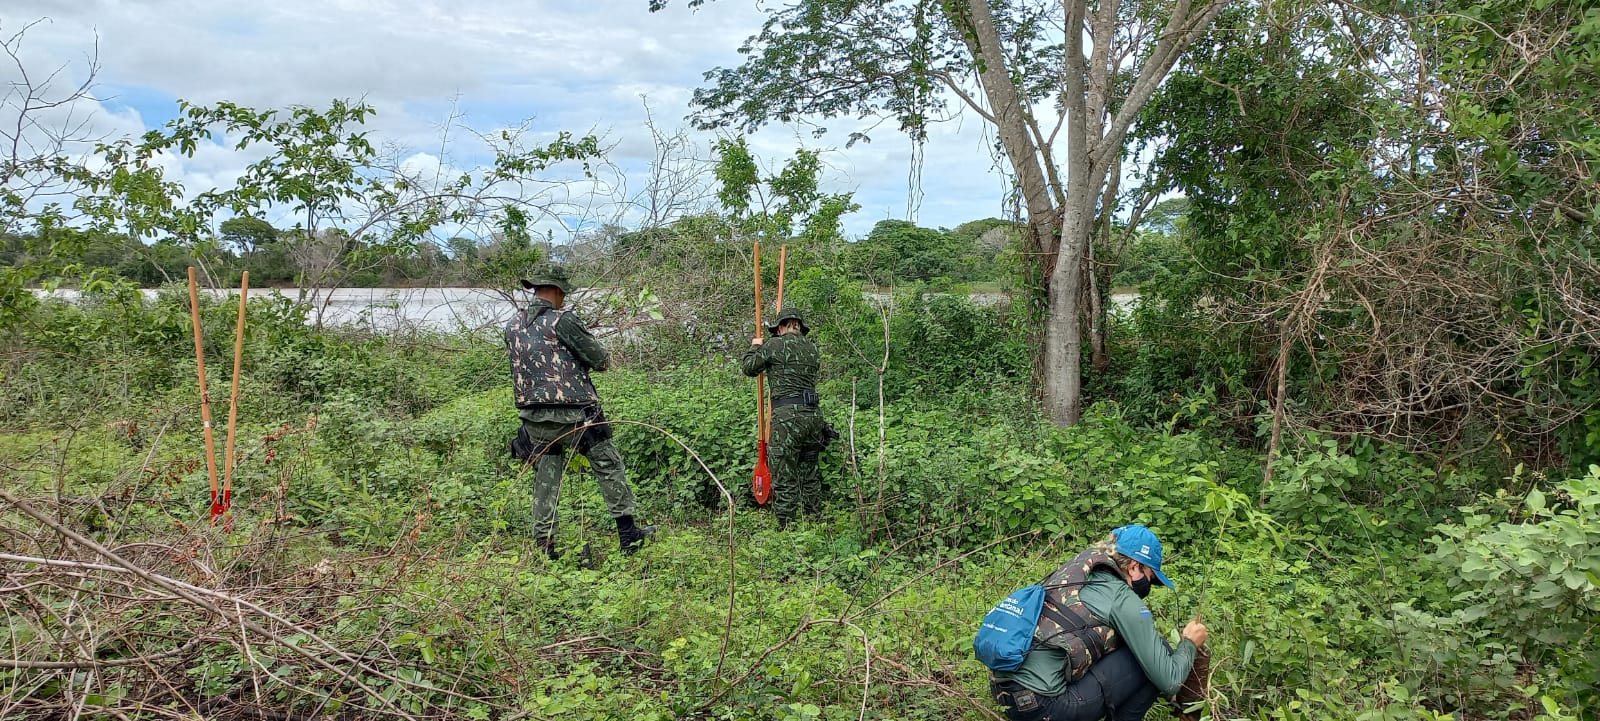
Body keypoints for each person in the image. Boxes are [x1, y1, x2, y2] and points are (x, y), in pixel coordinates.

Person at [506, 264, 654, 559]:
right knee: (609, 466)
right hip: (577, 414)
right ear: (557, 291)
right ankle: (628, 535)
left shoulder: (512, 324)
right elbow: (600, 360)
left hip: (533, 418)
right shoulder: (562, 321)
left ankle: (546, 547)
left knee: (546, 480)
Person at [989, 524, 1209, 721]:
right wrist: (1189, 643)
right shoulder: (1121, 596)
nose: (1148, 586)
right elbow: (1169, 680)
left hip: (1004, 695)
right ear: (1134, 567)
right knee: (1157, 654)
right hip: (1045, 707)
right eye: (1150, 577)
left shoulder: (1077, 572)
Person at [740, 306, 826, 525]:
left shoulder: (774, 345)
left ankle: (786, 527)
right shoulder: (812, 349)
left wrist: (755, 346)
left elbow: (749, 368)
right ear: (800, 327)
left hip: (787, 417)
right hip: (813, 416)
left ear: (780, 327)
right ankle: (815, 521)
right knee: (810, 474)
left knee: (784, 475)